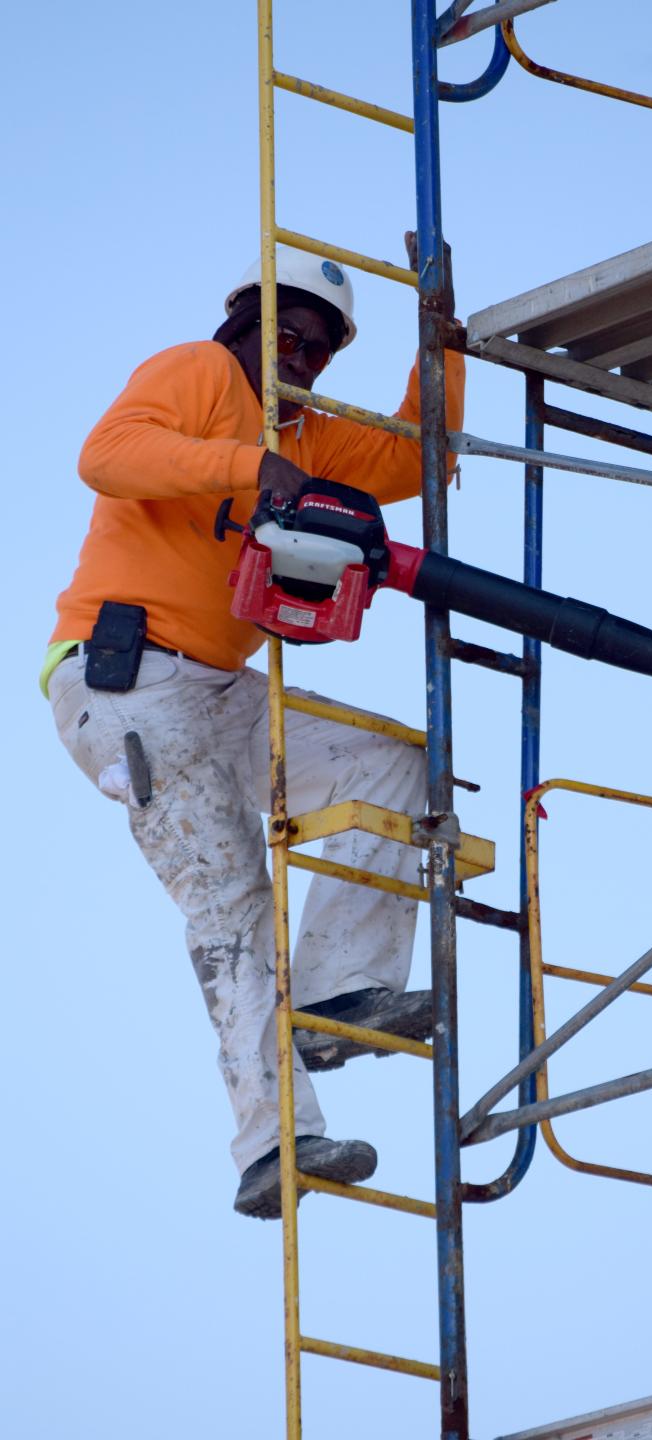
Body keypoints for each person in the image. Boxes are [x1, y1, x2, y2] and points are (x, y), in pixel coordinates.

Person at [43, 237, 465, 1220]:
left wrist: (439, 339)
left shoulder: (308, 433)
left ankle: (339, 991)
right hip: (131, 678)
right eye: (292, 331)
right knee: (231, 904)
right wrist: (248, 464)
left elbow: (413, 454)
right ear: (246, 322)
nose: (305, 354)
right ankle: (272, 1144)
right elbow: (104, 455)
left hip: (222, 695)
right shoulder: (197, 373)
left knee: (394, 764)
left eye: (322, 346)